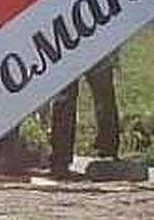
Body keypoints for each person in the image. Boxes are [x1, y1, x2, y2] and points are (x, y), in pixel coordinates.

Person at [47, 52, 121, 180]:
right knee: (103, 95)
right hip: (92, 42)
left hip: (69, 47)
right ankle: (107, 151)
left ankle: (60, 159)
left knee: (66, 99)